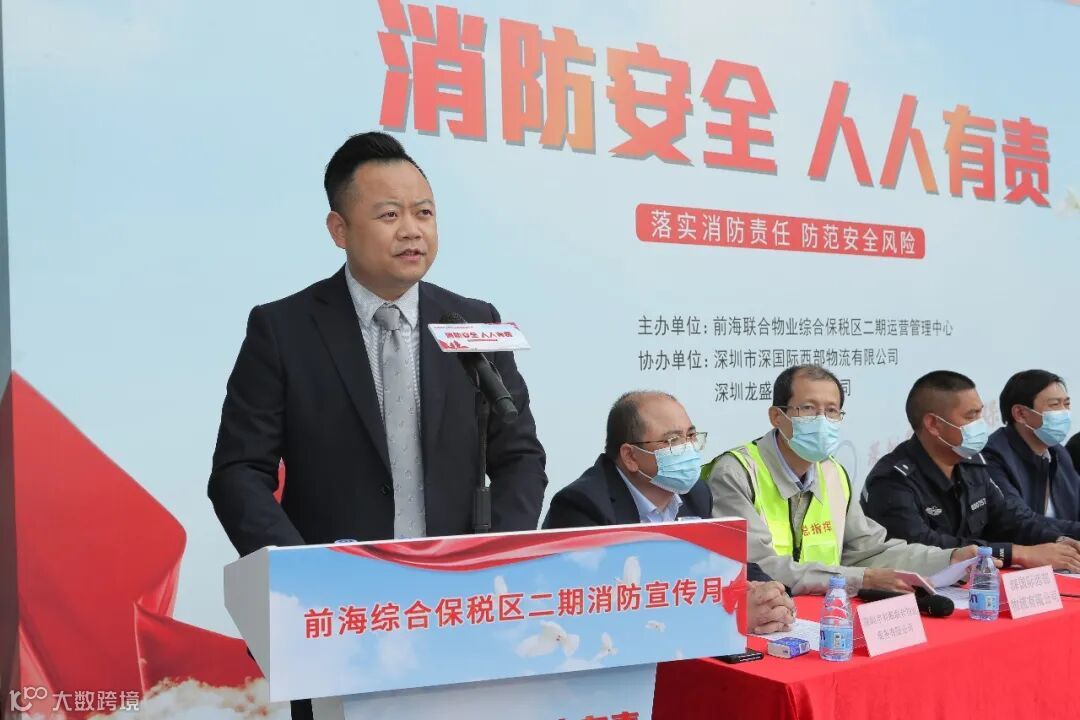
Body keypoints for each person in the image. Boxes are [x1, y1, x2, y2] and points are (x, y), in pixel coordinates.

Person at [208, 133, 548, 720]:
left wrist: (493, 557)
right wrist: (305, 577)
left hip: (460, 610)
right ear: (339, 230)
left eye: (424, 213)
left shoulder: (474, 321)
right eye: (389, 215)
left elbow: (519, 455)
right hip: (334, 619)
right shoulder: (283, 330)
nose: (412, 231)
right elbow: (238, 473)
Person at [705, 365, 978, 596]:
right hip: (766, 614)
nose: (822, 420)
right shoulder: (737, 472)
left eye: (832, 411)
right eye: (808, 408)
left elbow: (869, 551)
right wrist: (860, 579)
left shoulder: (832, 472)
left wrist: (947, 559)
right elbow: (756, 566)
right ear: (777, 416)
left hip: (826, 613)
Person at [544, 391, 796, 635]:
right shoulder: (584, 506)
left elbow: (725, 561)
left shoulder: (695, 494)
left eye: (691, 436)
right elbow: (602, 612)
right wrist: (729, 616)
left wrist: (769, 593)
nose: (689, 449)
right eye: (673, 441)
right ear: (630, 456)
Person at [862, 371, 1080, 572]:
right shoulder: (892, 480)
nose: (980, 424)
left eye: (980, 414)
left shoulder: (972, 464)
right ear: (933, 424)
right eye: (970, 417)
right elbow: (924, 547)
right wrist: (1017, 554)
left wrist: (1059, 541)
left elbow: (1010, 520)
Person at [983, 370, 1080, 532]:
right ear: (1020, 413)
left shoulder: (1058, 453)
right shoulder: (992, 457)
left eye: (1067, 404)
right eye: (1054, 405)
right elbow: (1018, 520)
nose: (1064, 412)